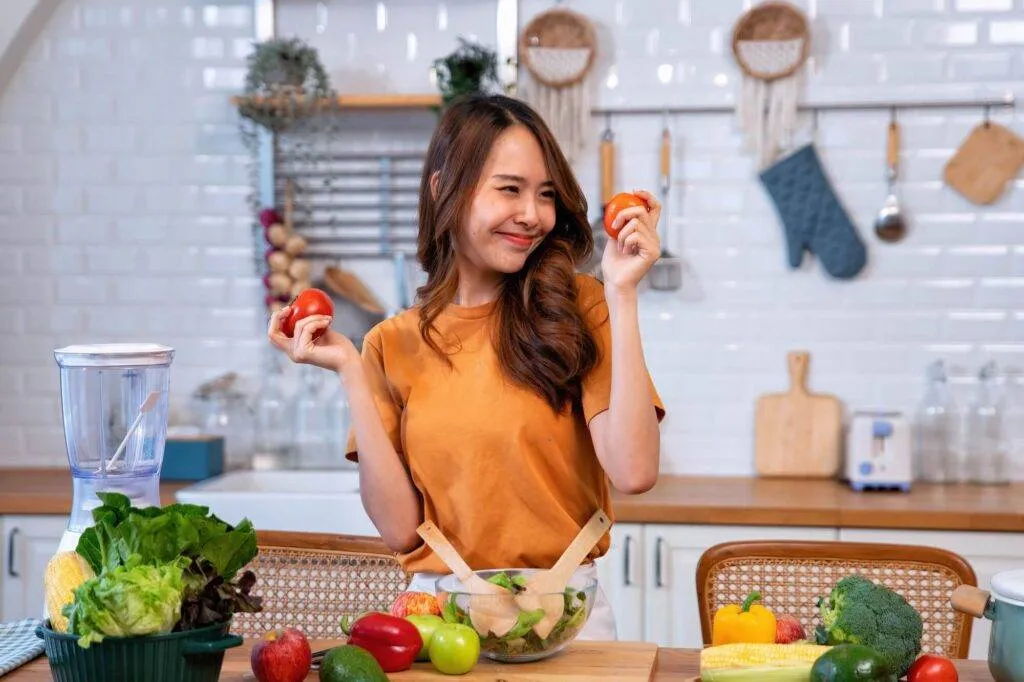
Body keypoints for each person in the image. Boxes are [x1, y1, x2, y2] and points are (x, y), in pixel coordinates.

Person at [268, 93, 665, 640]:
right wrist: (349, 370)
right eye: (509, 189)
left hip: (569, 619)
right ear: (443, 189)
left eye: (545, 195)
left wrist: (622, 292)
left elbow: (634, 472)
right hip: (438, 621)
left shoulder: (583, 307)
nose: (532, 215)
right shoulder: (390, 343)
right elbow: (400, 530)